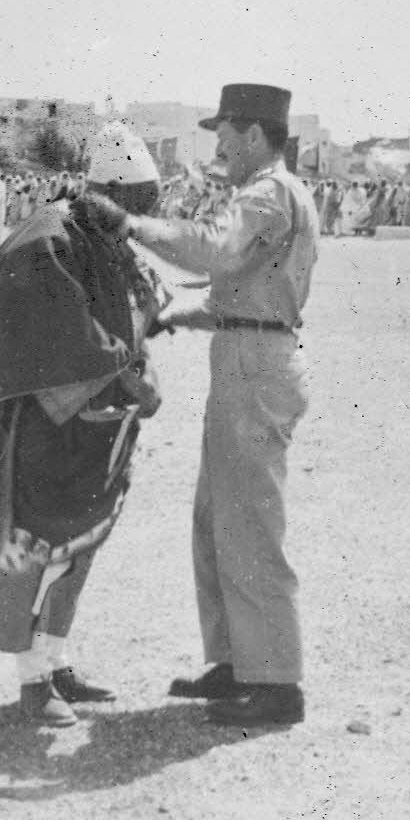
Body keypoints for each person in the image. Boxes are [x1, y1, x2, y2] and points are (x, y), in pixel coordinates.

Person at [83, 84, 318, 728]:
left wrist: (130, 225)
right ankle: (237, 663)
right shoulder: (271, 192)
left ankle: (276, 684)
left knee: (248, 524)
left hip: (256, 365)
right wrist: (173, 315)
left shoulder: (267, 193)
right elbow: (234, 295)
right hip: (247, 355)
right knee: (217, 517)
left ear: (252, 134)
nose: (217, 146)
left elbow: (212, 248)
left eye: (224, 133)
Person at [0, 123, 168, 727]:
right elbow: (51, 333)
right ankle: (31, 680)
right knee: (32, 548)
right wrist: (126, 374)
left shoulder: (98, 232)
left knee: (79, 548)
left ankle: (57, 658)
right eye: (135, 204)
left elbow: (130, 306)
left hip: (94, 429)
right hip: (44, 430)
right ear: (106, 191)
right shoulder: (47, 240)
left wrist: (140, 363)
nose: (139, 219)